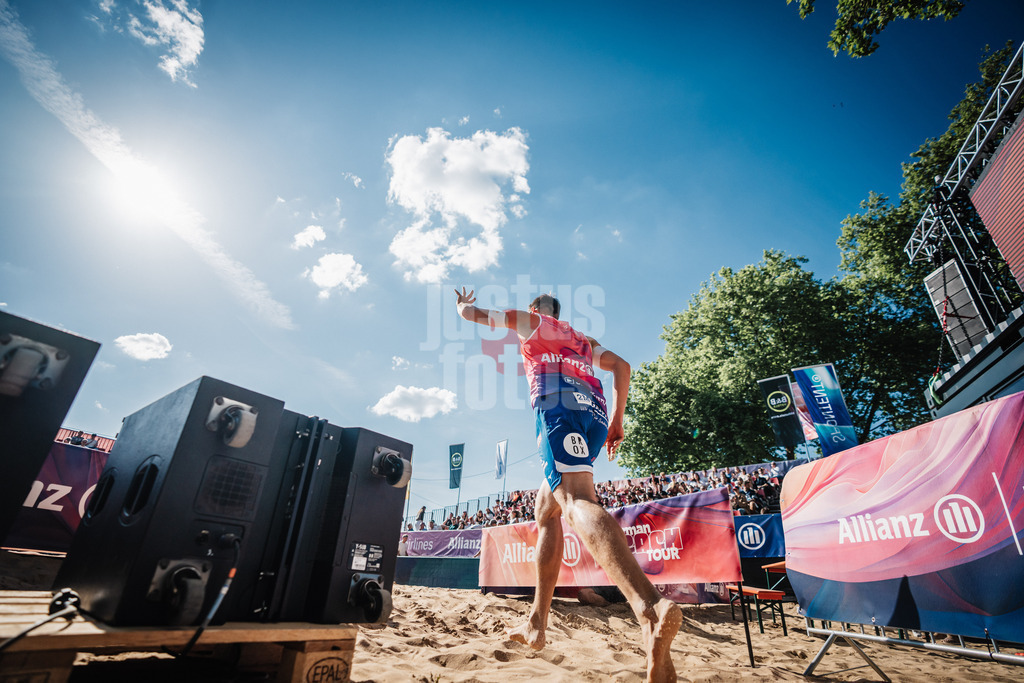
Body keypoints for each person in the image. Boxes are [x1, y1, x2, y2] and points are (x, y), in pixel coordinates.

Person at [455, 287, 681, 683]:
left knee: (575, 499)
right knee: (547, 509)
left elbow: (475, 316)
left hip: (558, 409)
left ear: (534, 310)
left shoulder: (532, 323)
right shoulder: (582, 340)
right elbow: (623, 366)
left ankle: (650, 607)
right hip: (593, 415)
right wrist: (617, 422)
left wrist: (462, 305)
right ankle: (536, 625)